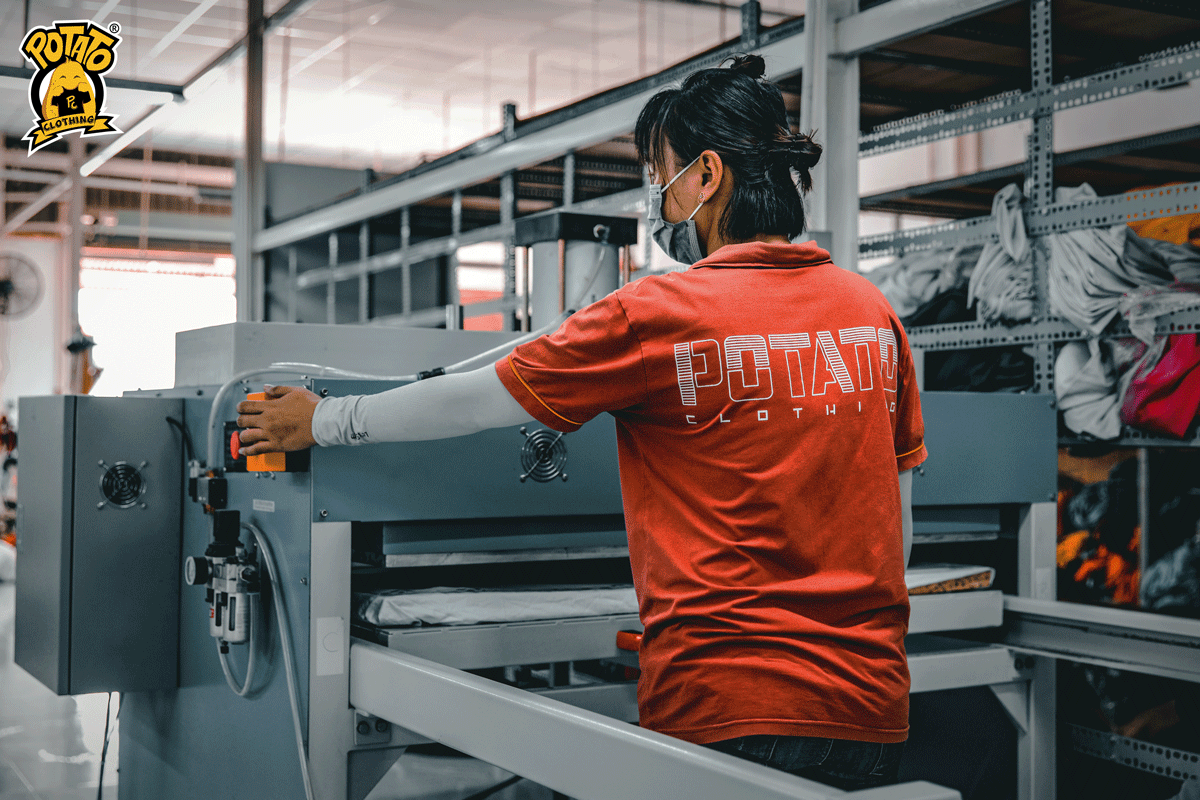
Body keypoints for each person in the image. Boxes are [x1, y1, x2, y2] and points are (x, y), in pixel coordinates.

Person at [236, 54, 925, 791]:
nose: (658, 197)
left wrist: (325, 419)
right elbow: (898, 528)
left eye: (661, 175)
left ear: (707, 175)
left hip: (726, 703)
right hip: (871, 706)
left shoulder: (657, 315)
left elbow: (475, 401)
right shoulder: (870, 312)